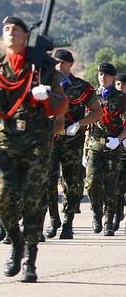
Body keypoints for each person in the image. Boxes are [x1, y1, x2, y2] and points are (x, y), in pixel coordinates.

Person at [0, 16, 67, 282]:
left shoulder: (43, 66)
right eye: (6, 29)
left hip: (36, 141)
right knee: (0, 198)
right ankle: (16, 241)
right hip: (6, 140)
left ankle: (29, 261)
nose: (10, 32)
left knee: (34, 201)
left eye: (16, 29)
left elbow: (62, 105)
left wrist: (47, 96)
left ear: (26, 36)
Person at [44, 49, 101, 240]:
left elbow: (97, 112)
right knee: (47, 181)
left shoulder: (82, 87)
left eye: (63, 63)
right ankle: (54, 219)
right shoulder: (45, 84)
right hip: (50, 139)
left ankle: (68, 223)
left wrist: (79, 124)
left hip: (73, 141)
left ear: (71, 64)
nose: (59, 66)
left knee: (72, 182)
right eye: (56, 63)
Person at [84, 62, 126, 237]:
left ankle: (109, 220)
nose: (102, 77)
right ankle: (96, 213)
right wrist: (84, 150)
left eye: (106, 75)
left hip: (113, 145)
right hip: (94, 144)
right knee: (92, 182)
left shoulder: (122, 98)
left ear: (113, 77)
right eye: (100, 74)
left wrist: (118, 140)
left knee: (112, 185)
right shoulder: (92, 96)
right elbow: (88, 123)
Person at [114, 73, 126, 232]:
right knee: (116, 188)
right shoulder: (112, 103)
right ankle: (117, 214)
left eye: (123, 85)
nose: (120, 88)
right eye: (118, 85)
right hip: (116, 152)